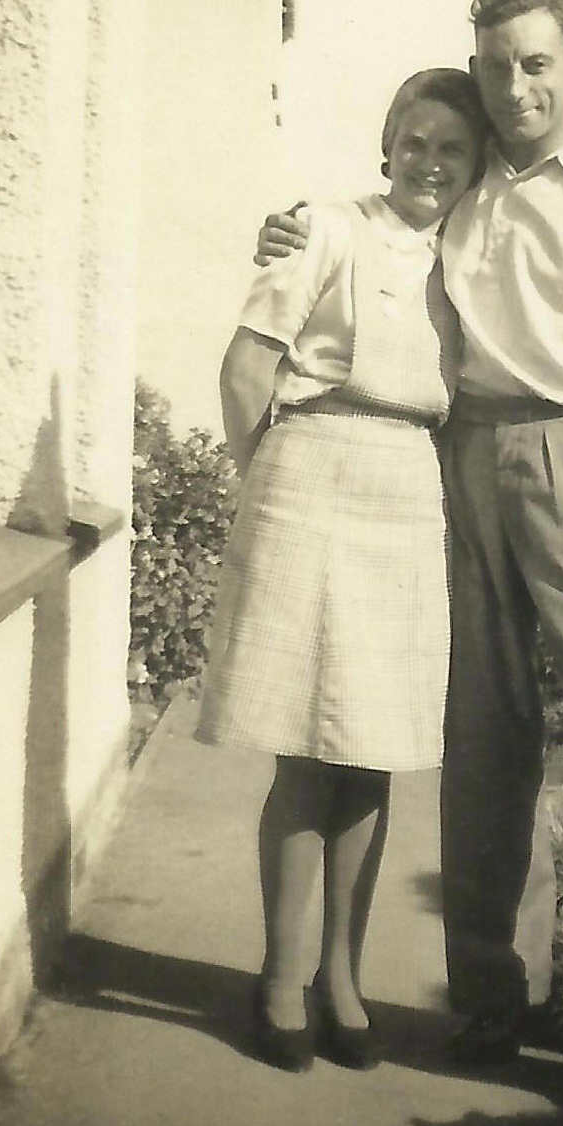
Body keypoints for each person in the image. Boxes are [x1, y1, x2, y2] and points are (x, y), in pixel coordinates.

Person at [258, 0, 563, 1064]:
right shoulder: (465, 173)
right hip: (455, 457)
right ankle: (496, 997)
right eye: (495, 66)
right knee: (483, 734)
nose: (514, 86)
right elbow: (371, 222)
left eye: (535, 64)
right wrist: (283, 231)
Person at [198, 68, 488, 1071]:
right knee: (302, 749)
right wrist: (263, 477)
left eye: (451, 149)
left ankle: (342, 980)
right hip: (310, 473)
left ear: (473, 167)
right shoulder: (324, 227)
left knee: (371, 749)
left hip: (406, 489)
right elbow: (246, 366)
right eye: (415, 141)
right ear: (387, 144)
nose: (429, 163)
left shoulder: (470, 258)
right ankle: (280, 980)